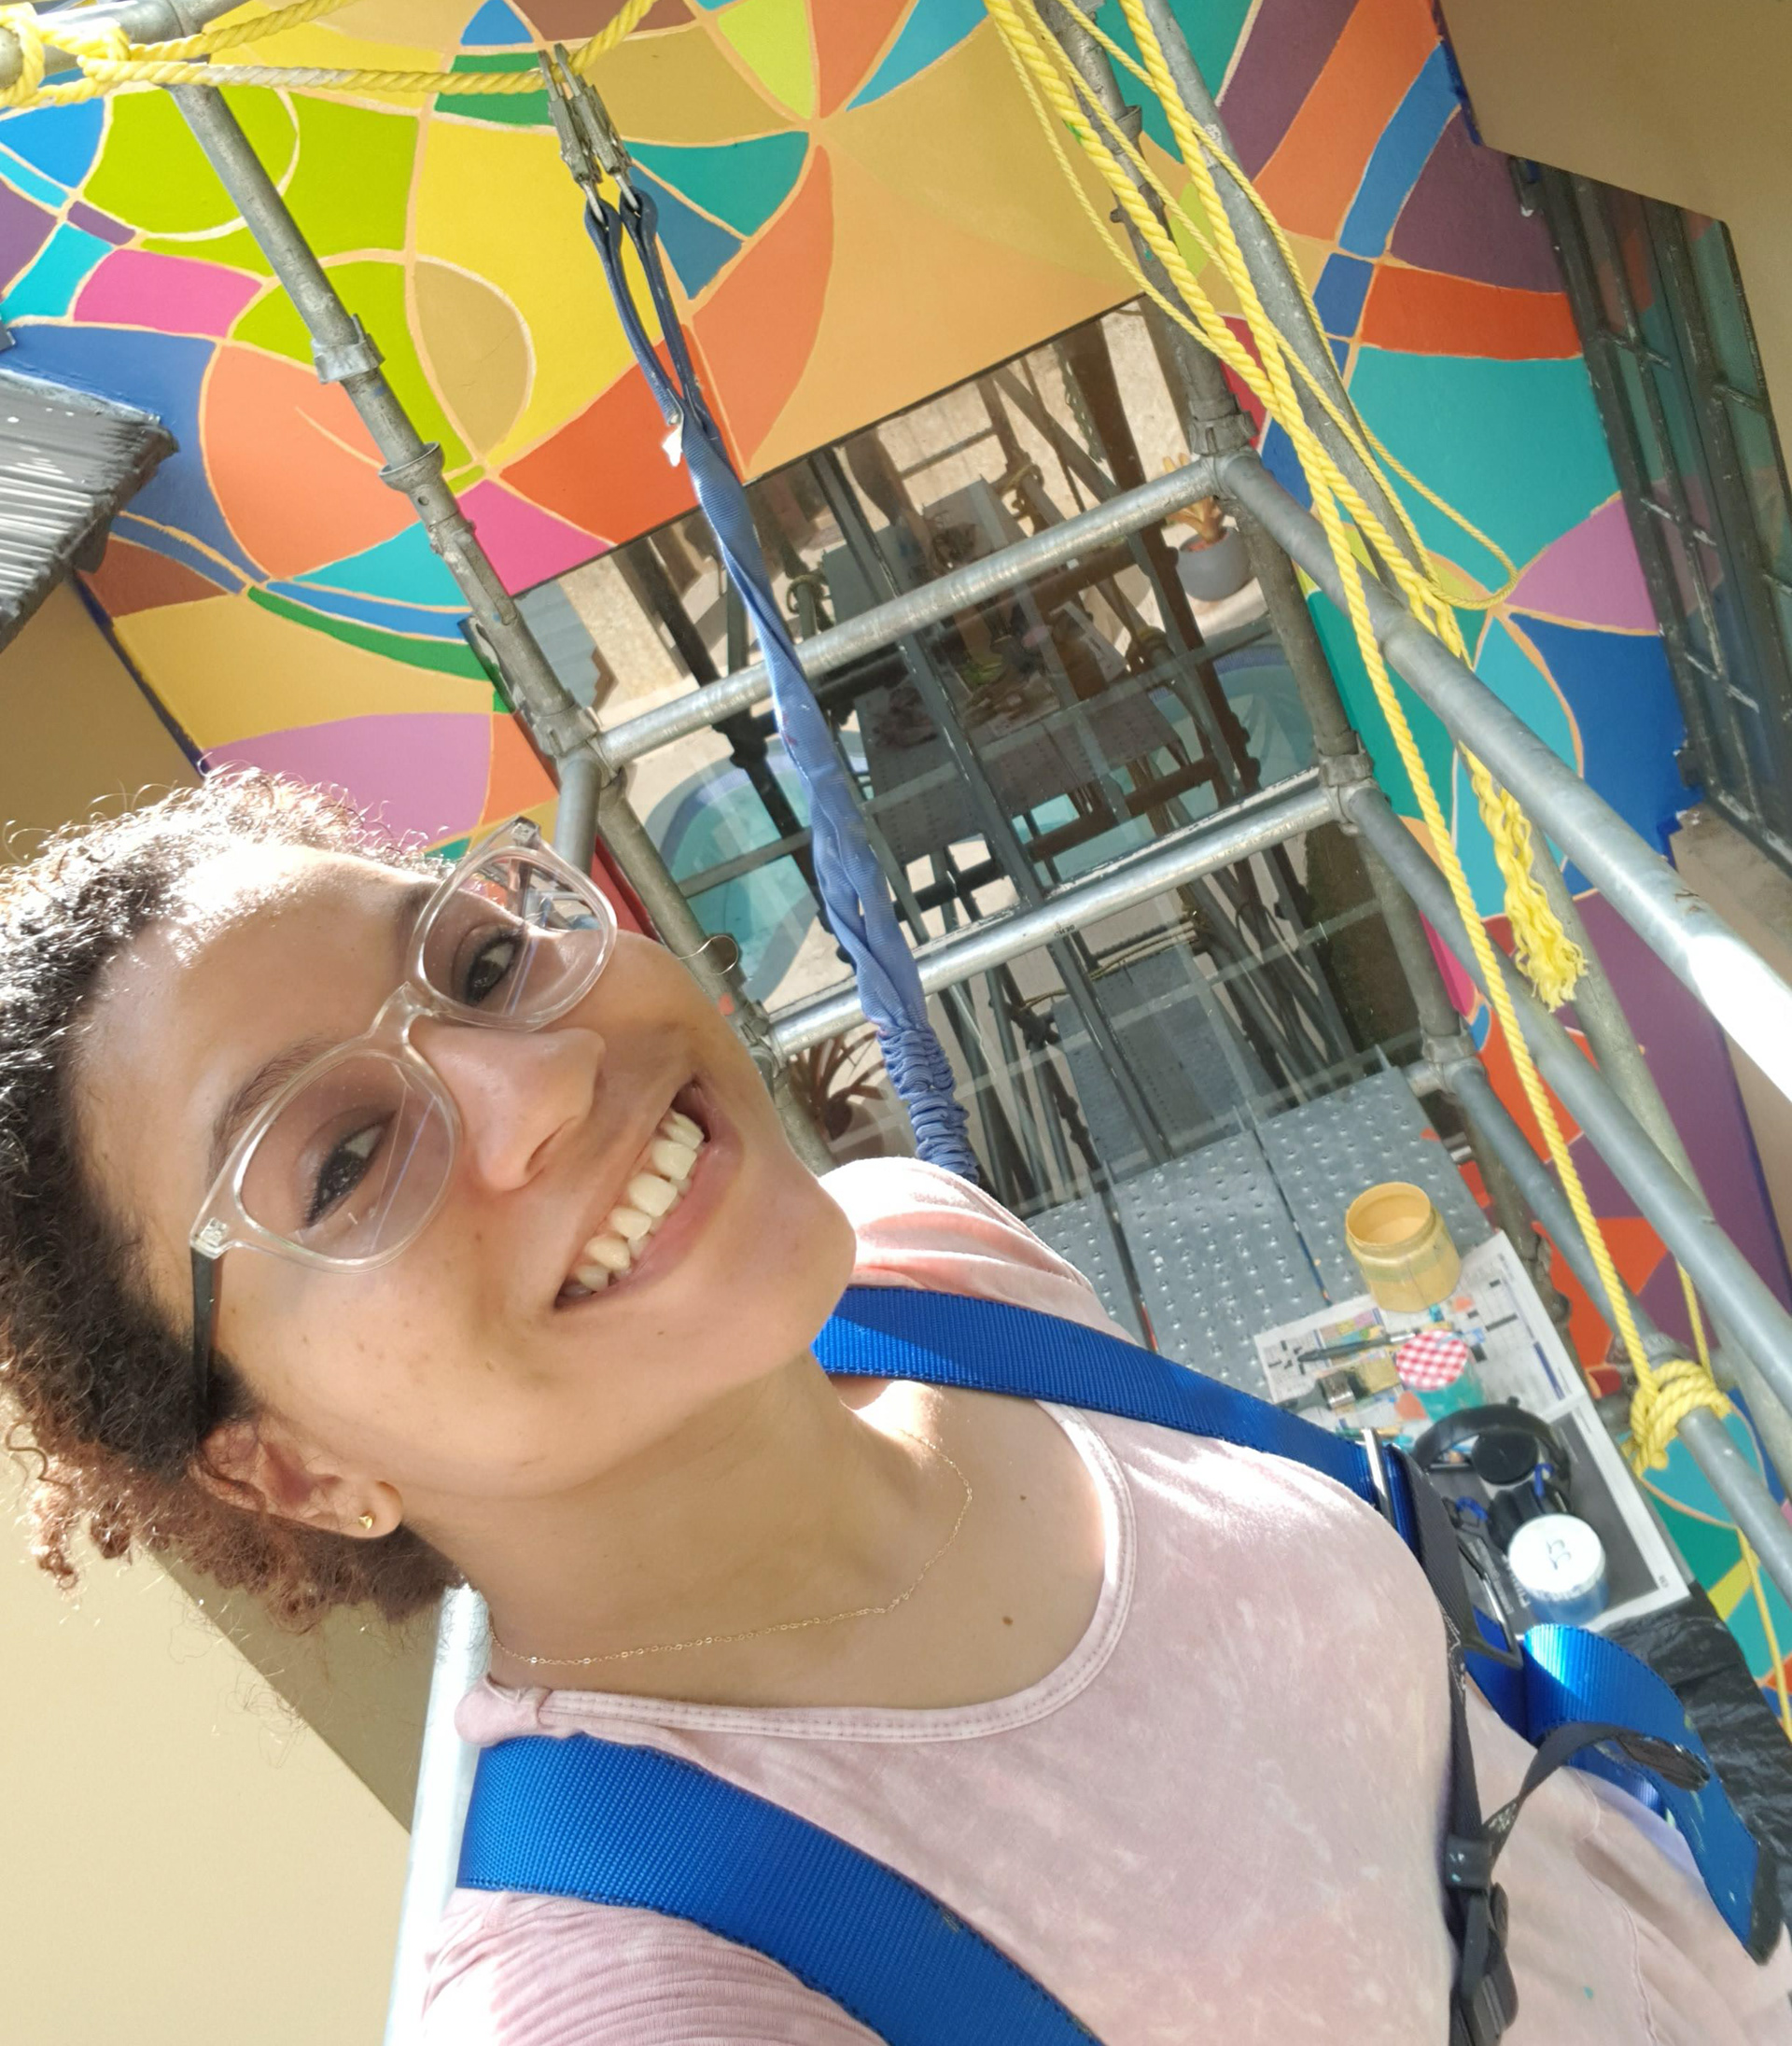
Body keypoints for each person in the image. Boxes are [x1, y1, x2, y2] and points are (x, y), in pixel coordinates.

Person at [1, 769, 1785, 2046]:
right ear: (293, 1465)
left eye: (478, 964)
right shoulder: (647, 1989)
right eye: (342, 1159)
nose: (543, 1077)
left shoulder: (926, 1264)